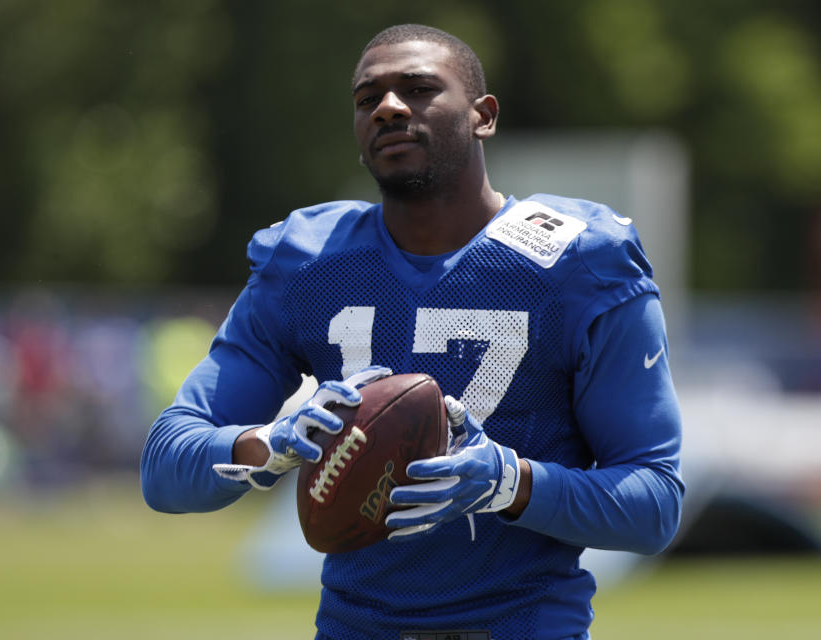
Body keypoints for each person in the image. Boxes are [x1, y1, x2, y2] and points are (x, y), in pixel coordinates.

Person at [141, 23, 684, 640]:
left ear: (483, 116)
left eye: (419, 88)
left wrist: (511, 482)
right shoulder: (308, 261)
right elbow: (165, 465)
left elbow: (654, 503)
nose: (389, 107)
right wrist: (268, 446)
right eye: (367, 99)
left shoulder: (580, 262)